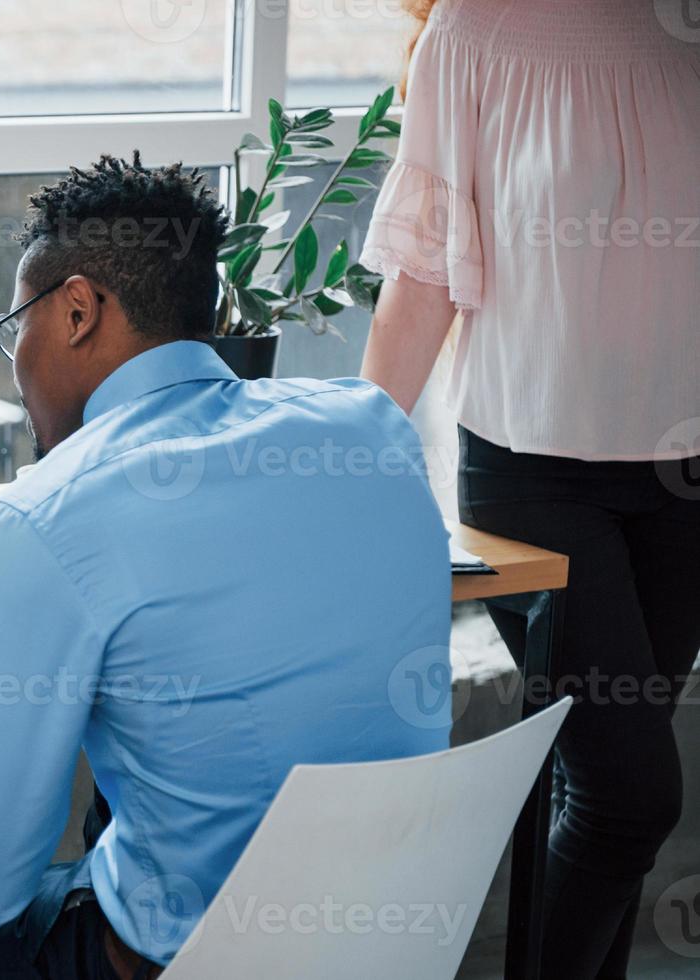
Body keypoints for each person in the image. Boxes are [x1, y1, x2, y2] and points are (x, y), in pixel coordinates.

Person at [0, 154, 454, 978]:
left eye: (16, 329)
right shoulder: (369, 429)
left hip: (184, 961)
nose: (15, 369)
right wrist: (18, 567)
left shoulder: (46, 520)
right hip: (387, 936)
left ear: (78, 309)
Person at [357, 2, 700, 975]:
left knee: (605, 802)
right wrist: (339, 462)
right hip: (535, 476)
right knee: (628, 794)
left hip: (682, 486)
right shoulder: (472, 32)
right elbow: (422, 274)